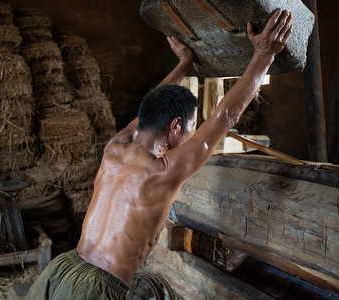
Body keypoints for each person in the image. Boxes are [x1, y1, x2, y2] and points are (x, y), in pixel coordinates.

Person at [26, 8, 293, 300]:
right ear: (176, 126)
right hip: (96, 290)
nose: (192, 137)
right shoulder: (163, 171)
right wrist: (264, 56)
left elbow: (150, 104)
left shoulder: (114, 148)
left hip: (64, 268)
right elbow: (225, 117)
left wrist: (184, 63)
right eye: (191, 129)